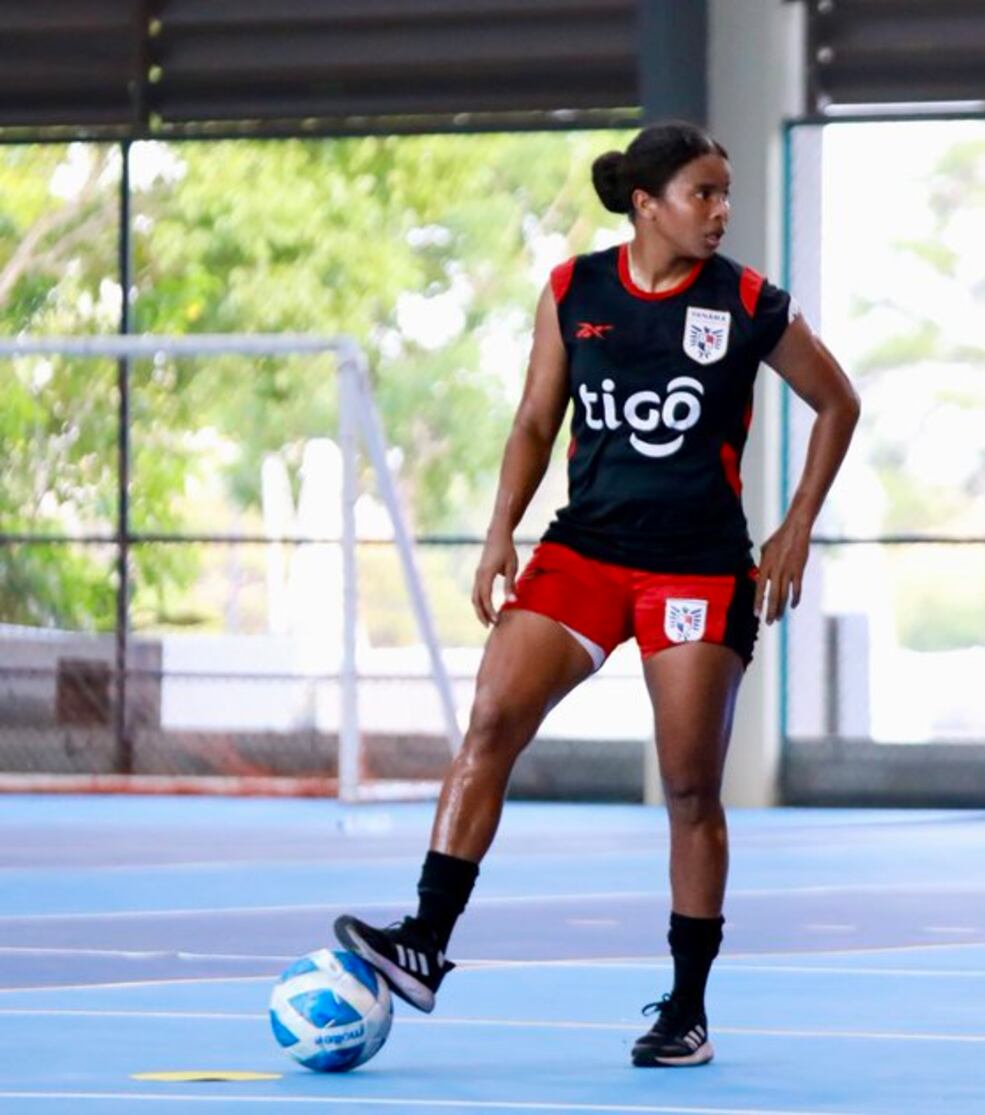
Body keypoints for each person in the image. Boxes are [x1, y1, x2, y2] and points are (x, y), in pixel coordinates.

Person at [335, 121, 860, 1068]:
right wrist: (501, 528)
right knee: (490, 722)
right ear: (646, 204)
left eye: (725, 194)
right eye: (704, 194)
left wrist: (795, 523)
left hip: (697, 565)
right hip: (587, 551)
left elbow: (839, 402)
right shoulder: (574, 292)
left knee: (691, 783)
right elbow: (538, 419)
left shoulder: (747, 302)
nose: (721, 211)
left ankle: (686, 1008)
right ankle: (424, 936)